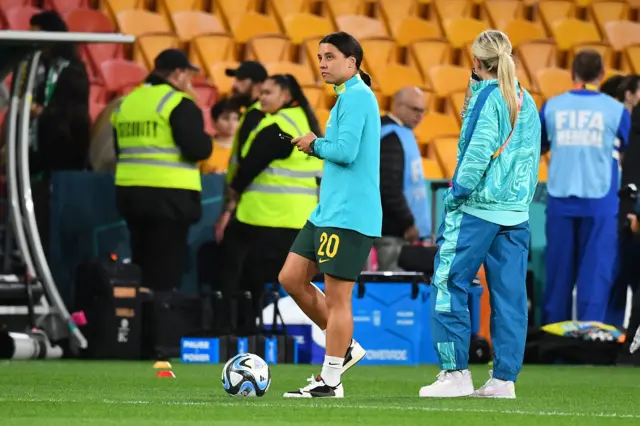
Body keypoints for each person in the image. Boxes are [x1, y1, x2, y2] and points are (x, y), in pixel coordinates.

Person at [418, 30, 540, 399]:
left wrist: (457, 193)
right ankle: (504, 379)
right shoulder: (526, 98)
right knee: (510, 297)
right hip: (516, 212)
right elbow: (531, 155)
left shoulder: (488, 96)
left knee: (448, 283)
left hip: (476, 209)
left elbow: (476, 151)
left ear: (476, 61)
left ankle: (455, 372)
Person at [278, 31, 382, 399]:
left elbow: (346, 151)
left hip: (350, 214)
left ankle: (331, 379)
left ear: (352, 63)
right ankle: (346, 346)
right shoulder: (346, 98)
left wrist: (313, 144)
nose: (322, 63)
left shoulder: (356, 97)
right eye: (320, 57)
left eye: (330, 57)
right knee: (291, 277)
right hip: (328, 211)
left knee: (338, 298)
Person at [213, 74, 323, 334]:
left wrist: (232, 197)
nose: (261, 98)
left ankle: (230, 331)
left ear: (285, 96)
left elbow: (248, 168)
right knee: (283, 283)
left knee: (238, 276)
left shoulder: (277, 126)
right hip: (297, 219)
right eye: (260, 92)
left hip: (261, 217)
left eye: (268, 93)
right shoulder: (306, 123)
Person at [541, 50, 631, 325]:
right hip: (601, 202)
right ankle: (593, 344)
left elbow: (538, 147)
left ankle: (552, 343)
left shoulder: (552, 106)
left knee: (557, 277)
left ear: (572, 73)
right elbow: (630, 152)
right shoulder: (616, 111)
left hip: (559, 199)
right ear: (602, 74)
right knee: (595, 276)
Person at [112, 49, 212, 292]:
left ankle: (140, 323)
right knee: (164, 275)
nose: (189, 81)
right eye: (188, 75)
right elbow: (197, 149)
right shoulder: (178, 102)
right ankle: (159, 326)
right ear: (178, 73)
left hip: (131, 195)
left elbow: (119, 148)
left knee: (141, 266)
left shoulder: (127, 102)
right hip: (169, 198)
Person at [375, 86, 430, 271]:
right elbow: (388, 186)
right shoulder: (390, 136)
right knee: (394, 288)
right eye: (415, 109)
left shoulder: (401, 133)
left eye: (423, 110)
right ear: (397, 105)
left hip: (399, 230)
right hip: (392, 231)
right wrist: (407, 222)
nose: (420, 115)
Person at [215, 61, 267, 240]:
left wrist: (229, 209)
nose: (235, 85)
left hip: (252, 207)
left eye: (241, 80)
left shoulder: (257, 115)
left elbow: (248, 164)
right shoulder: (254, 113)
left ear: (258, 85)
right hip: (252, 205)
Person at [199, 98, 240, 174]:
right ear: (213, 121)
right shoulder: (205, 146)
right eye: (226, 118)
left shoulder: (243, 147)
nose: (231, 123)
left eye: (235, 119)